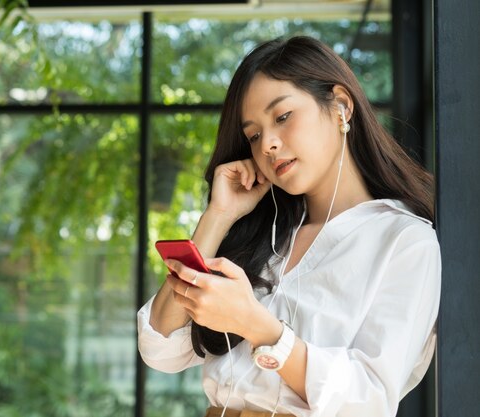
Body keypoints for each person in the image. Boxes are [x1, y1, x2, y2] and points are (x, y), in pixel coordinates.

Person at [137, 36, 441, 417]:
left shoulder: (404, 241)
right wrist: (219, 216)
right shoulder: (265, 233)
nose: (268, 145)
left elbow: (370, 396)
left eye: (282, 117)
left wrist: (257, 326)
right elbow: (161, 348)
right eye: (254, 135)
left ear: (341, 107)